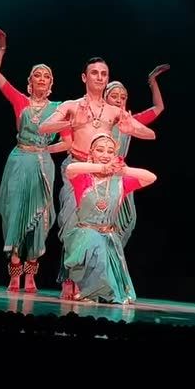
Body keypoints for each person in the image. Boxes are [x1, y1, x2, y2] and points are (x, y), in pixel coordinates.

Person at [38, 57, 157, 299]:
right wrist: (71, 121)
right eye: (94, 72)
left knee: (99, 228)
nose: (100, 77)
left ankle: (92, 283)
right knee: (71, 224)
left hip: (105, 173)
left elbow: (150, 134)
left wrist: (131, 128)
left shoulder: (114, 111)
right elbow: (44, 127)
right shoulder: (72, 106)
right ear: (84, 77)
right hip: (78, 168)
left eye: (104, 73)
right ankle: (70, 278)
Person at [0, 28, 69, 293]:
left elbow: (68, 143)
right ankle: (14, 271)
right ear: (30, 82)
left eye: (47, 76)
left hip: (42, 165)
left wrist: (45, 149)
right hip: (18, 161)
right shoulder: (20, 101)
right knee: (14, 212)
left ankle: (31, 273)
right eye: (38, 75)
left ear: (51, 84)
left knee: (41, 217)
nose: (42, 79)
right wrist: (1, 50)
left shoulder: (59, 108)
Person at [61, 134, 157, 304]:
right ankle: (90, 290)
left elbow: (151, 177)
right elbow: (70, 168)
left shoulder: (120, 182)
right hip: (85, 238)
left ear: (115, 156)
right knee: (93, 239)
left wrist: (123, 170)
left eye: (110, 151)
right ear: (91, 153)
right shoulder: (83, 178)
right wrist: (102, 168)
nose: (105, 154)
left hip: (108, 238)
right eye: (100, 150)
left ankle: (98, 291)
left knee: (116, 291)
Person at [104, 65, 169, 246]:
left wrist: (152, 81)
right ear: (105, 97)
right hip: (99, 171)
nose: (119, 100)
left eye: (123, 97)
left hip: (120, 172)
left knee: (125, 221)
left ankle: (114, 257)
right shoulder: (97, 119)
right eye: (114, 96)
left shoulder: (130, 121)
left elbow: (159, 108)